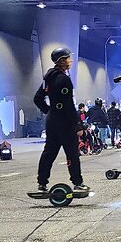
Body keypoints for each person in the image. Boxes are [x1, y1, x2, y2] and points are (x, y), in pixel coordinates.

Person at [33, 47, 88, 194]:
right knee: (72, 153)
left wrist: (49, 111)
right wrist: (77, 125)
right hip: (65, 122)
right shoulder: (64, 79)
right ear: (61, 61)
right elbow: (68, 105)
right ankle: (77, 182)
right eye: (68, 58)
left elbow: (37, 98)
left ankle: (42, 183)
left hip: (52, 121)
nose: (70, 60)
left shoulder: (48, 78)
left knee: (49, 152)